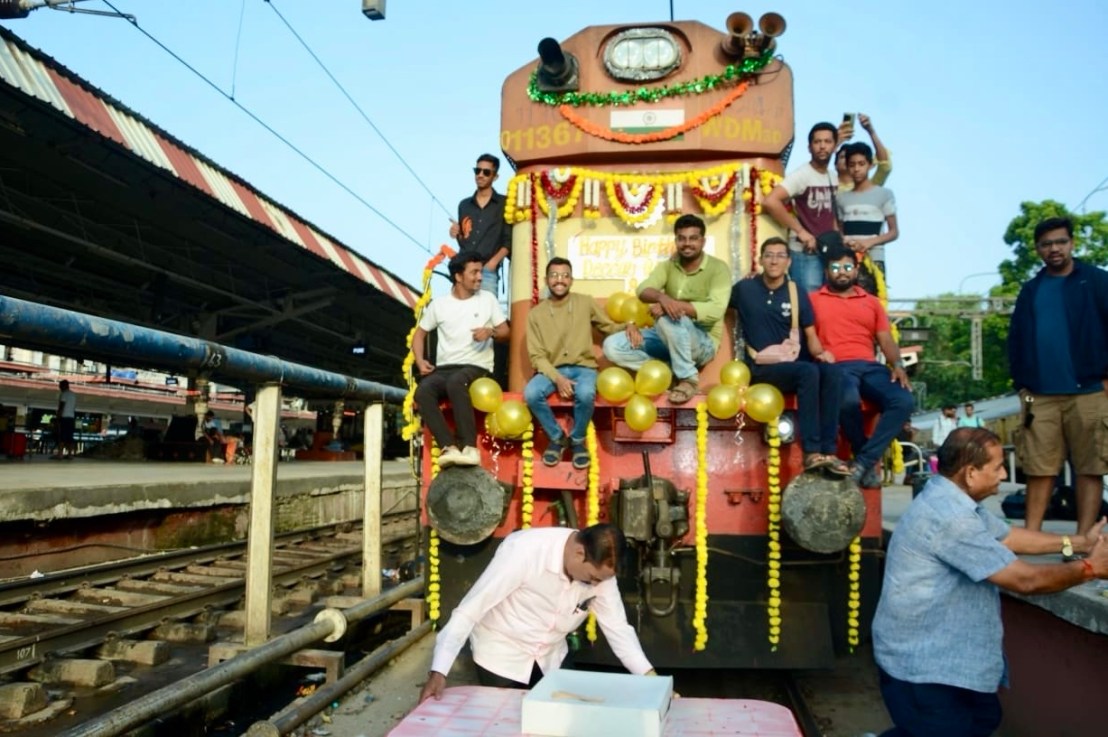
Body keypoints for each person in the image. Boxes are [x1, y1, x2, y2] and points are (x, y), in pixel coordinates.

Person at [873, 427, 1108, 737]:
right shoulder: (950, 517)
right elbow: (1026, 580)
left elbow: (1009, 536)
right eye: (997, 466)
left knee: (982, 718)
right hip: (925, 670)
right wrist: (1090, 568)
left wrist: (1079, 542)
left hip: (940, 663)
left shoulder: (953, 500)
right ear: (971, 473)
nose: (1003, 474)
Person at [419, 523, 655, 702]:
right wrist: (439, 669)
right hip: (502, 654)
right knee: (508, 724)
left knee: (566, 719)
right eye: (592, 578)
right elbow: (470, 610)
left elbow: (618, 630)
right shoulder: (524, 551)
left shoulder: (601, 575)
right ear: (579, 553)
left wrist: (651, 678)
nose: (595, 586)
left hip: (551, 655)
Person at [1008, 215, 1108, 536]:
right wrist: (1021, 385)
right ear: (1038, 249)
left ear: (1072, 244)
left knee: (1090, 468)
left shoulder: (1095, 281)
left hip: (1091, 390)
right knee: (1039, 469)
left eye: (1061, 242)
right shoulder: (1031, 290)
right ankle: (1032, 537)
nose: (1055, 249)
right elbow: (1016, 340)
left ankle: (1083, 540)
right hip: (1041, 395)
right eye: (1047, 244)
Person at [729, 237, 849, 475]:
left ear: (789, 261)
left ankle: (829, 451)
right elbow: (717, 310)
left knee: (831, 372)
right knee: (808, 371)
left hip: (793, 364)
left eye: (780, 255)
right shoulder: (744, 289)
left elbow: (810, 334)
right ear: (761, 260)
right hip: (761, 367)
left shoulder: (796, 292)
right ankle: (811, 452)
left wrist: (821, 353)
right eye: (769, 255)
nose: (774, 260)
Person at [809, 235, 913, 487]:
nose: (841, 273)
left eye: (847, 267)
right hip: (836, 368)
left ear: (855, 270)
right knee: (847, 400)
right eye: (835, 268)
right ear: (826, 272)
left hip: (870, 367)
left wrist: (898, 365)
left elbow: (886, 340)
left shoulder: (872, 302)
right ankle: (862, 455)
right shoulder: (812, 300)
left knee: (904, 400)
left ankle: (863, 462)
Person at [602, 214, 730, 404]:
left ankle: (688, 378)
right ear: (676, 240)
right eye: (682, 238)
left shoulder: (718, 269)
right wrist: (663, 298)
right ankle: (667, 372)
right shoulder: (668, 266)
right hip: (667, 336)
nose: (687, 243)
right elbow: (643, 289)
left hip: (702, 342)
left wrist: (674, 306)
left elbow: (716, 310)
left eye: (693, 238)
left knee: (668, 317)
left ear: (703, 241)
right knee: (612, 346)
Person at [524, 258, 623, 469]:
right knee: (531, 393)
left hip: (584, 367)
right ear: (546, 280)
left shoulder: (585, 302)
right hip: (553, 369)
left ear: (571, 280)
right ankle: (558, 438)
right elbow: (537, 357)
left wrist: (630, 327)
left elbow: (608, 327)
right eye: (554, 275)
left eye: (565, 275)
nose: (559, 280)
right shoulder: (535, 314)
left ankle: (577, 440)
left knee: (586, 393)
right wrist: (558, 378)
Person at [412, 252, 509, 468]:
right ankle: (449, 447)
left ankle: (469, 448)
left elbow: (506, 331)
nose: (480, 277)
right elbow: (419, 335)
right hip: (445, 368)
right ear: (458, 276)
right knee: (422, 392)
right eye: (474, 272)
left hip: (477, 367)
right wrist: (420, 360)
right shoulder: (439, 304)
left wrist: (490, 331)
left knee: (456, 382)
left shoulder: (488, 300)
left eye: (480, 272)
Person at [762, 122, 839, 293]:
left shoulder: (833, 177)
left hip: (827, 250)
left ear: (835, 146)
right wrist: (800, 231)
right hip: (805, 253)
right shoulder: (802, 175)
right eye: (817, 142)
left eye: (827, 142)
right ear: (809, 147)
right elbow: (771, 201)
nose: (822, 146)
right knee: (808, 302)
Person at [836, 141, 898, 295]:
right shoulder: (841, 198)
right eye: (852, 164)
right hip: (848, 260)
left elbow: (893, 231)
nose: (857, 169)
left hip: (874, 258)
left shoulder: (884, 194)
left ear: (870, 165)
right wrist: (845, 241)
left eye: (861, 164)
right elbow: (839, 230)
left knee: (872, 302)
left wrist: (869, 242)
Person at [450, 153, 511, 296]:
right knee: (460, 315)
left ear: (495, 177)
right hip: (463, 271)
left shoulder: (504, 203)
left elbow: (508, 240)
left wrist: (492, 264)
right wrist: (456, 232)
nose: (480, 175)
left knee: (486, 316)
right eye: (477, 171)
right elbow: (464, 238)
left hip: (487, 272)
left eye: (486, 172)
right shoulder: (464, 205)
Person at [834, 113, 892, 192]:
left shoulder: (868, 189)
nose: (847, 161)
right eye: (843, 157)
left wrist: (871, 131)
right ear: (835, 164)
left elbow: (885, 167)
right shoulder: (825, 186)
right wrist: (836, 142)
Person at [52, 380, 76, 459]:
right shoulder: (73, 395)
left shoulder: (64, 394)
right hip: (71, 418)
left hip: (64, 417)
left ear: (64, 386)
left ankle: (60, 454)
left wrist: (58, 417)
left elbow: (61, 406)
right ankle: (70, 454)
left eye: (60, 386)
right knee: (70, 437)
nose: (59, 387)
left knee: (62, 436)